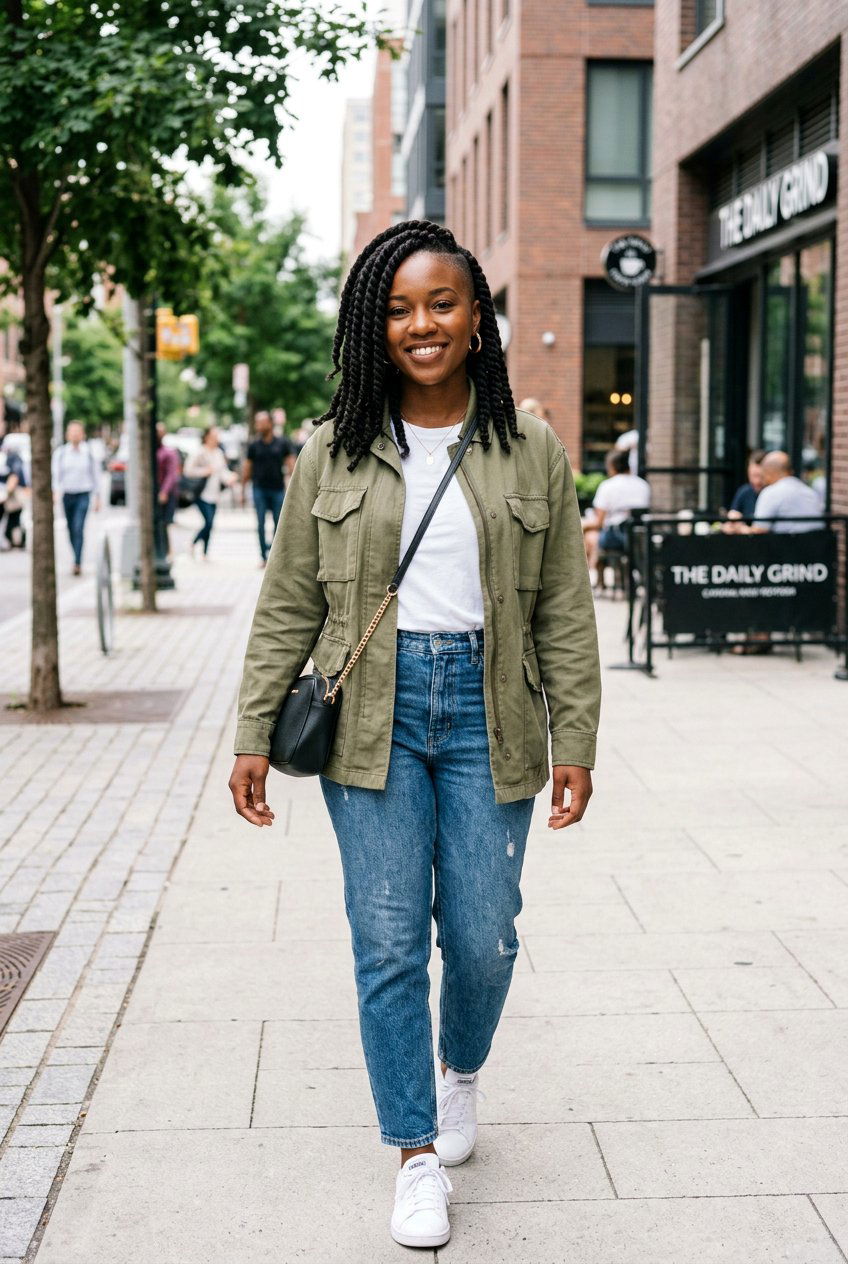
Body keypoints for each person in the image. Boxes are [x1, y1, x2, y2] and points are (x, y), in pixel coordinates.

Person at [228, 220, 601, 1249]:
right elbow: (287, 598)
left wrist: (577, 738)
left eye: (440, 303)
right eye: (396, 308)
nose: (420, 323)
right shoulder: (331, 448)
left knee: (483, 935)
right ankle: (414, 1152)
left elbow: (564, 608)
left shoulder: (530, 446)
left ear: (477, 317)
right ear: (371, 328)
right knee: (386, 940)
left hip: (492, 711)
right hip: (370, 722)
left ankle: (458, 1070)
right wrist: (251, 729)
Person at [583, 448, 650, 580]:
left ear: (612, 466)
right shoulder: (643, 485)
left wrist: (583, 527)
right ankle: (620, 579)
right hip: (639, 538)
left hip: (616, 538)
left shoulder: (607, 486)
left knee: (591, 535)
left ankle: (597, 580)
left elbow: (599, 523)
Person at [241, 410, 297, 565]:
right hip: (259, 488)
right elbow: (247, 467)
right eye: (257, 422)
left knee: (278, 522)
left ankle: (274, 554)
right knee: (260, 523)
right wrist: (242, 491)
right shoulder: (253, 445)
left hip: (277, 488)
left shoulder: (282, 443)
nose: (257, 425)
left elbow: (291, 464)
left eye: (261, 422)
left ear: (270, 424)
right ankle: (263, 556)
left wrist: (294, 483)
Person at [51, 420, 100, 575]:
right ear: (67, 434)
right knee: (71, 528)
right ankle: (76, 555)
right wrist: (55, 491)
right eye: (72, 432)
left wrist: (97, 497)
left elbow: (96, 476)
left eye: (77, 432)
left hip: (83, 494)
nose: (74, 435)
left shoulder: (89, 453)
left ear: (82, 434)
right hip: (67, 494)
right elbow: (56, 475)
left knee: (78, 527)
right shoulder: (61, 453)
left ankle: (77, 562)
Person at [183, 426, 236, 558]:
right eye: (214, 436)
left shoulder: (218, 453)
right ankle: (193, 543)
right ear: (207, 437)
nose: (217, 439)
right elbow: (188, 470)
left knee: (210, 524)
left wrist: (230, 478)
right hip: (201, 493)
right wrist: (204, 471)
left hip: (214, 493)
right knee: (208, 522)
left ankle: (205, 552)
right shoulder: (200, 452)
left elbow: (223, 472)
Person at [749, 450, 824, 533]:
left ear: (769, 472)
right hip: (817, 543)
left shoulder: (770, 493)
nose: (763, 480)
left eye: (763, 475)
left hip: (786, 544)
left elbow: (758, 532)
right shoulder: (810, 492)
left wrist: (740, 528)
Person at [155, 424, 181, 559]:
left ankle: (166, 551)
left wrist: (164, 491)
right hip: (154, 492)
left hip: (166, 493)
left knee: (164, 522)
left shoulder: (169, 453)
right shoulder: (152, 452)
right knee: (158, 523)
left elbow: (172, 474)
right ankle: (163, 550)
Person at [723, 449, 765, 529]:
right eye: (752, 475)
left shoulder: (772, 493)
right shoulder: (744, 491)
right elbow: (730, 521)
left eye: (760, 476)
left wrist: (741, 528)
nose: (756, 481)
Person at [0, 434, 27, 551]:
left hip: (10, 495)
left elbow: (15, 476)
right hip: (4, 493)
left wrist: (6, 492)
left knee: (13, 519)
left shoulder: (13, 457)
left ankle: (14, 541)